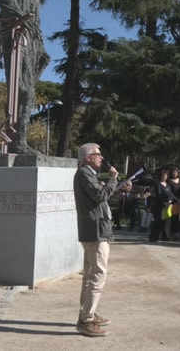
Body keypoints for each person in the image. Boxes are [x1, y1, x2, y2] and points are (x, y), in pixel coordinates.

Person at [0, 0, 50, 154]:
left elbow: (36, 8)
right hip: (15, 29)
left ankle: (20, 139)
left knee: (30, 88)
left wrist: (40, 40)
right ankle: (16, 140)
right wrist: (19, 19)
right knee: (22, 88)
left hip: (32, 33)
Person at [73, 143, 117, 337]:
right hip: (94, 232)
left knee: (90, 274)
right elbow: (100, 195)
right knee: (98, 274)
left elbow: (100, 195)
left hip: (96, 229)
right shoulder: (84, 174)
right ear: (88, 157)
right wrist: (113, 180)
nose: (101, 157)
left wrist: (116, 185)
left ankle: (87, 313)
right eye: (98, 154)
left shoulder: (89, 174)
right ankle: (86, 320)